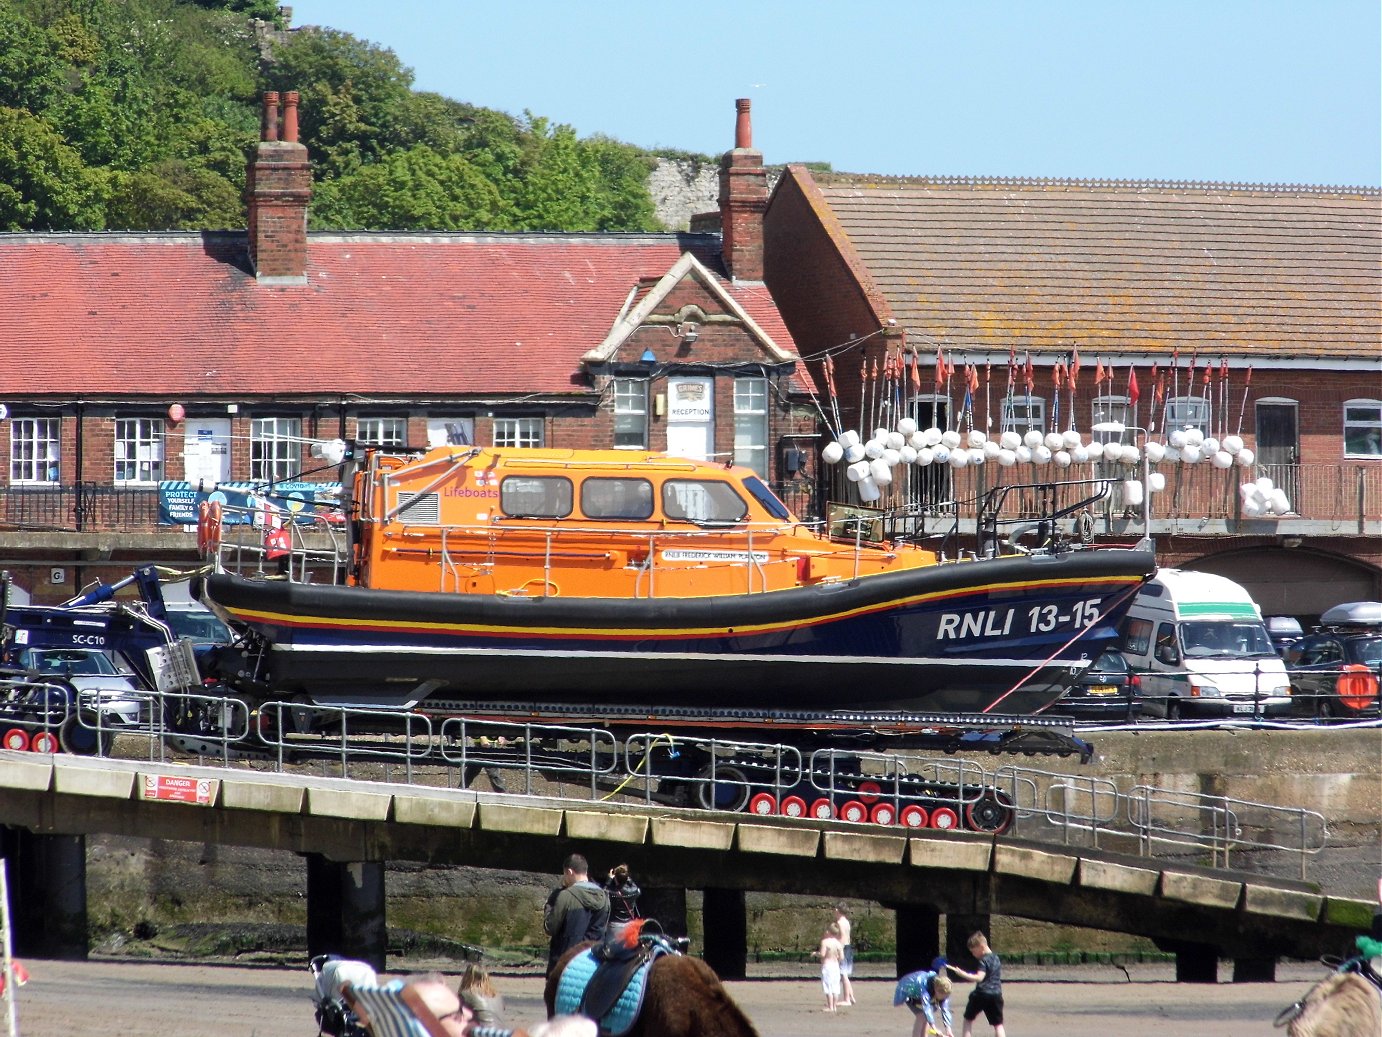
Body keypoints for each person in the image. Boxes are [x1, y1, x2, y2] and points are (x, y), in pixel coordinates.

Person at [543, 852, 611, 972]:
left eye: (564, 874)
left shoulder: (565, 896)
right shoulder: (604, 897)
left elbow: (550, 927)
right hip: (593, 963)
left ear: (569, 872)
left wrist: (549, 906)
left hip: (565, 963)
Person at [947, 931, 1006, 1037]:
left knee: (968, 1019)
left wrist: (962, 974)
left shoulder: (983, 961)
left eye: (974, 952)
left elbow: (979, 978)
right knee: (998, 1024)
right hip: (996, 994)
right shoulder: (996, 958)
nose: (973, 955)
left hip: (981, 994)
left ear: (981, 947)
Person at [895, 969, 954, 1037]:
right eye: (943, 996)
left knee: (927, 1018)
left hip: (923, 995)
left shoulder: (944, 993)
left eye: (946, 996)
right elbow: (926, 1008)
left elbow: (945, 1010)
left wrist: (948, 1029)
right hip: (910, 991)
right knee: (922, 1016)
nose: (944, 999)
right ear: (936, 991)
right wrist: (934, 1028)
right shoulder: (926, 990)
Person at [457, 962, 505, 1027]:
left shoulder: (466, 994)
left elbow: (458, 1016)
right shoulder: (496, 995)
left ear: (467, 977)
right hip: (501, 1033)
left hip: (481, 1032)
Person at [603, 864, 642, 940]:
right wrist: (627, 878)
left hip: (615, 926)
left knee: (611, 949)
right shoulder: (634, 890)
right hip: (629, 924)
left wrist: (609, 879)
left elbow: (603, 893)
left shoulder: (612, 893)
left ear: (615, 879)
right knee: (626, 949)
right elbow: (635, 886)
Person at [813, 921, 845, 1013]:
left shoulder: (825, 942)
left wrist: (816, 954)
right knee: (835, 987)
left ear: (829, 932)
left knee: (828, 986)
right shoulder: (838, 944)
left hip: (827, 966)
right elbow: (842, 957)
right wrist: (837, 959)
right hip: (836, 966)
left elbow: (822, 954)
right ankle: (834, 1006)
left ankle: (830, 1006)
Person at [834, 903, 857, 1006]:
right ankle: (851, 996)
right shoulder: (846, 922)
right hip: (848, 947)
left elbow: (842, 937)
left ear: (837, 910)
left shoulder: (839, 922)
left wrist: (839, 949)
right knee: (845, 974)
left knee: (843, 974)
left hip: (843, 947)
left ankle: (847, 999)